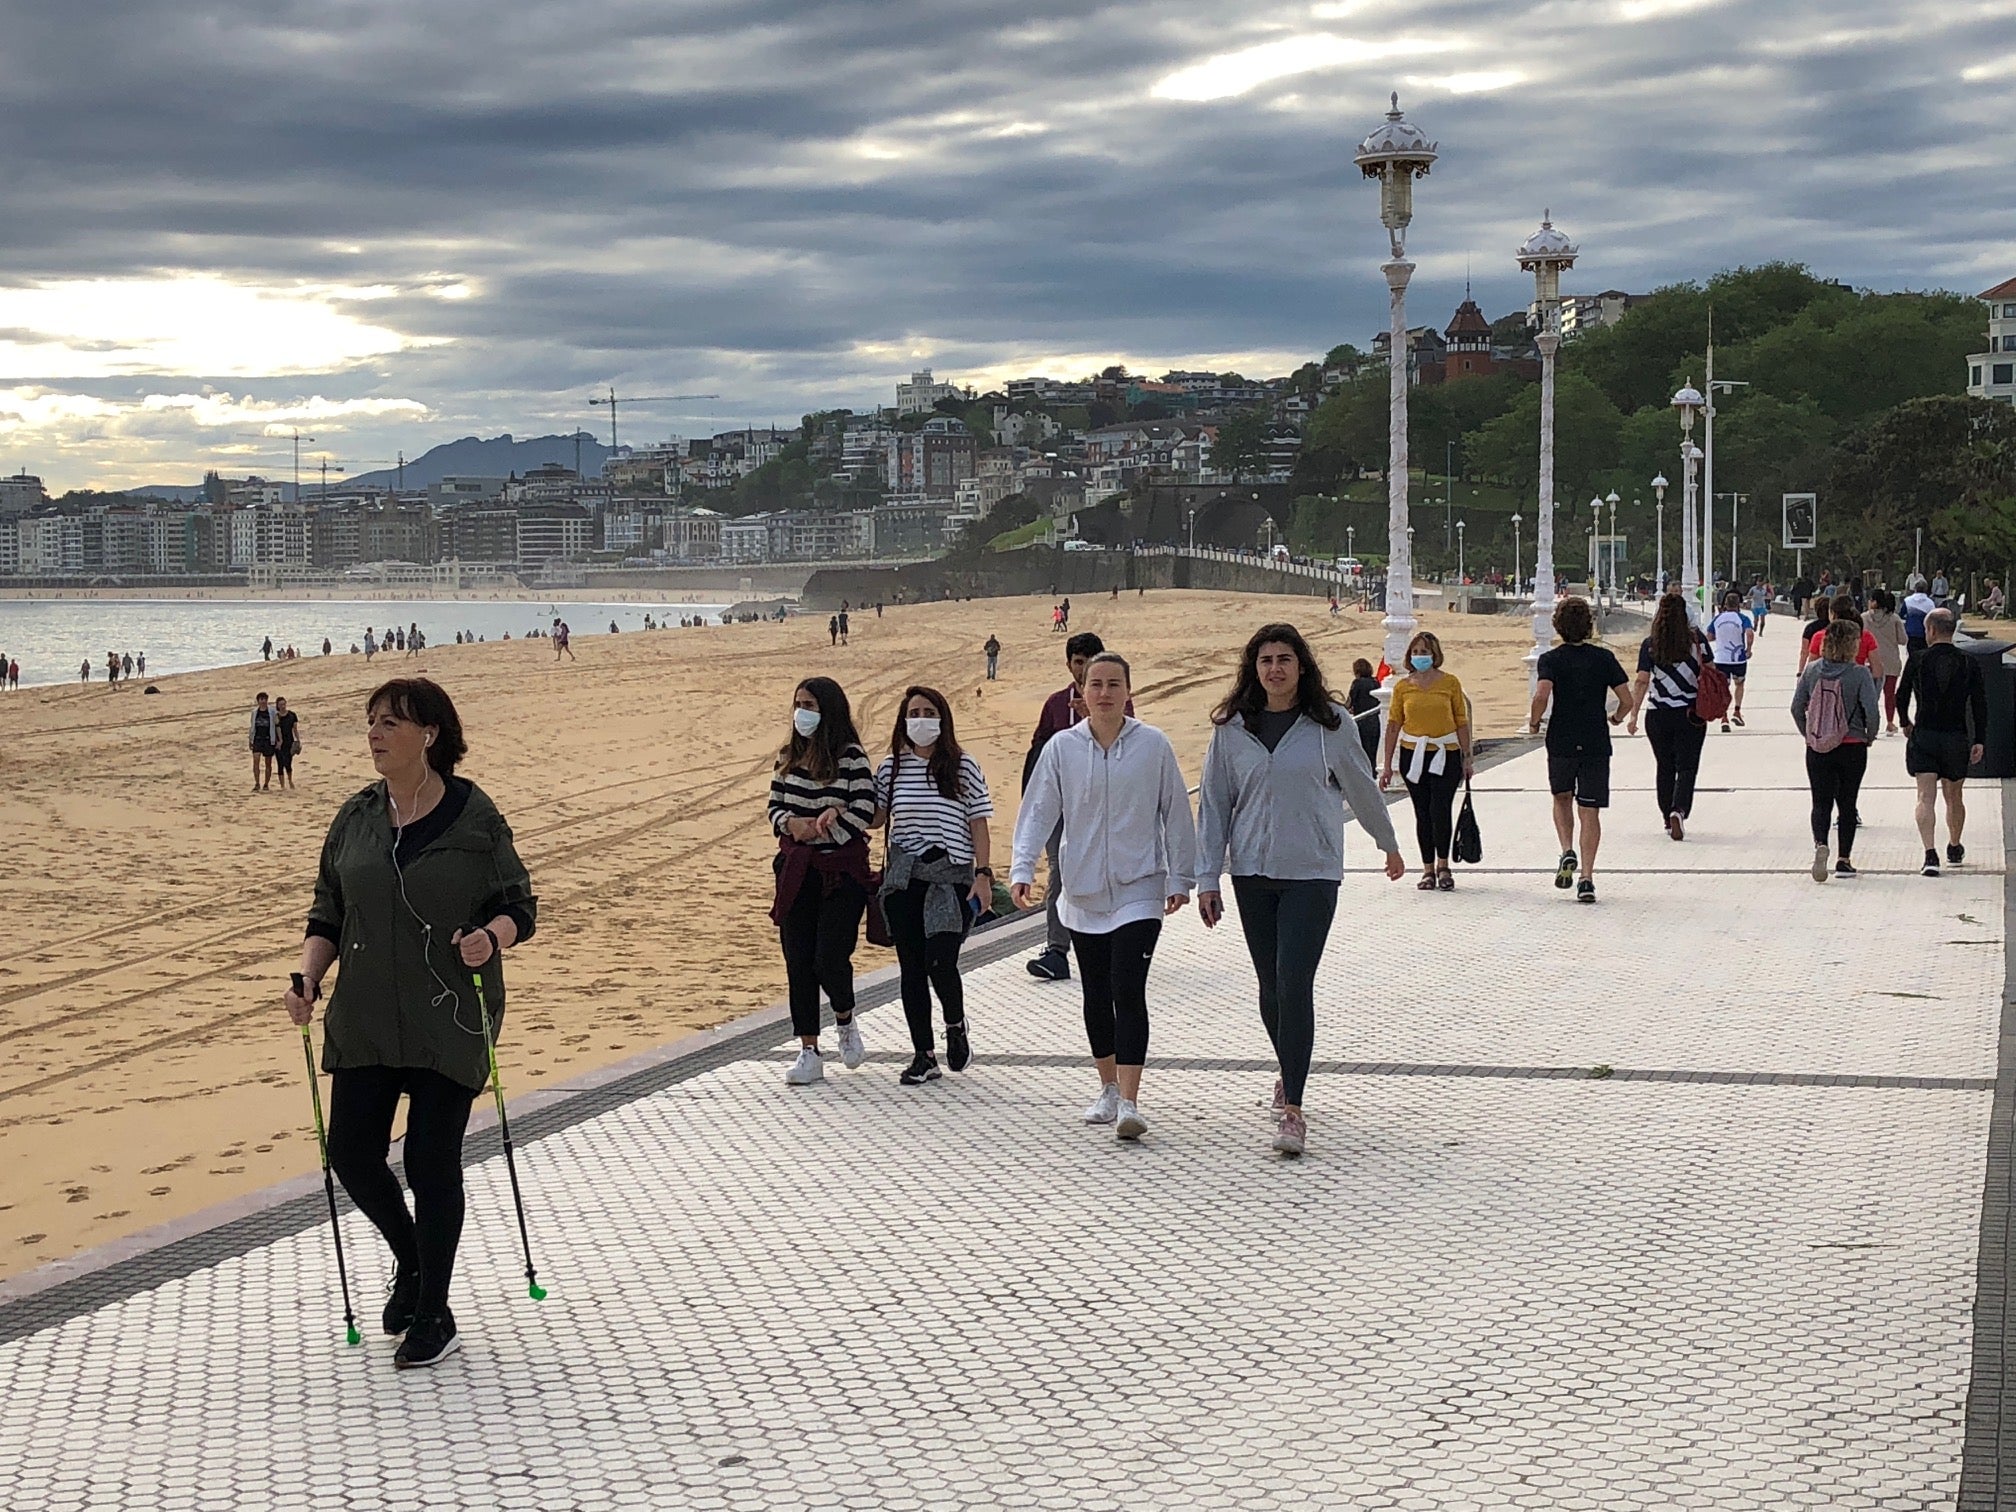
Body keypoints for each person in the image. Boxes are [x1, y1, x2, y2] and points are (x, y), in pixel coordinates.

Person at [282, 676, 537, 1369]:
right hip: (365, 1014)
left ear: (429, 734)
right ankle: (411, 1259)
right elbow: (327, 912)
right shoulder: (356, 817)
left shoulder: (473, 815)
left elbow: (520, 904)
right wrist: (309, 976)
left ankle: (432, 1313)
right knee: (352, 1155)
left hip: (449, 1014)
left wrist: (493, 936)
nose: (376, 734)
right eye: (371, 722)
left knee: (430, 1161)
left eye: (391, 723)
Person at [1194, 625, 1404, 1157]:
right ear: (1253, 668)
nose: (1275, 669)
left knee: (1294, 979)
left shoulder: (1328, 725)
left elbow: (1359, 784)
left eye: (1285, 659)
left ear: (1301, 666)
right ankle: (1289, 1067)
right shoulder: (1232, 729)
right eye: (1265, 660)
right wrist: (1206, 878)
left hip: (1312, 870)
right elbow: (1215, 804)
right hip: (1252, 872)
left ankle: (1294, 1109)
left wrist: (1389, 843)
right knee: (1270, 984)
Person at [1011, 653, 1194, 1143]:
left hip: (1139, 888)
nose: (1105, 693)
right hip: (1082, 890)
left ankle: (1131, 1101)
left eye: (1115, 684)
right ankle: (1107, 1087)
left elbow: (1175, 810)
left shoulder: (1153, 745)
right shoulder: (1061, 748)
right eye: (1096, 684)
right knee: (1095, 992)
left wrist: (1181, 878)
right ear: (1082, 692)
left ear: (1129, 691)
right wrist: (1022, 867)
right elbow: (1039, 809)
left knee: (1127, 989)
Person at [872, 687, 994, 1086]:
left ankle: (955, 1025)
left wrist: (983, 874)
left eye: (928, 712)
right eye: (913, 712)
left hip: (950, 877)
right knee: (911, 968)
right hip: (906, 878)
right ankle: (923, 1054)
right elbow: (875, 817)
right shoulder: (891, 768)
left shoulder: (963, 767)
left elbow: (978, 823)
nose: (920, 719)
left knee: (941, 960)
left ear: (942, 719)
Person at [767, 677, 877, 1086]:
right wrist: (793, 825)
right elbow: (774, 806)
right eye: (798, 704)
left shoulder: (850, 758)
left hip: (841, 872)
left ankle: (845, 1019)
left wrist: (829, 824)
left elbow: (865, 807)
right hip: (796, 869)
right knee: (797, 960)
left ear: (827, 709)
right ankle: (808, 1049)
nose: (802, 712)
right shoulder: (787, 756)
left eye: (810, 704)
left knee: (829, 957)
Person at [1021, 632, 1132, 982]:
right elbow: (1037, 750)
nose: (1084, 670)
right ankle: (1056, 949)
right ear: (1069, 664)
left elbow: (1130, 745)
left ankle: (1112, 937)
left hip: (1104, 808)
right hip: (1060, 805)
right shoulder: (1056, 703)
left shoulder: (1118, 702)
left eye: (1091, 661)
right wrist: (1033, 802)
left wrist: (1093, 719)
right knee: (1060, 869)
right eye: (1078, 662)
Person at [1529, 597, 1634, 903]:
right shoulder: (1603, 658)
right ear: (1589, 625)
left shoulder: (1550, 659)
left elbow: (1541, 695)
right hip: (1594, 739)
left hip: (1561, 737)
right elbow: (1626, 700)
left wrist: (1535, 722)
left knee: (1561, 797)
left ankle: (1566, 850)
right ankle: (1587, 878)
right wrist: (1615, 718)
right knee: (1590, 810)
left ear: (1557, 626)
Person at [1379, 631, 1473, 891]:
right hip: (1413, 754)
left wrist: (1467, 757)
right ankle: (1427, 868)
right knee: (1422, 812)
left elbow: (1461, 721)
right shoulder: (1403, 686)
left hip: (1446, 752)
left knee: (1440, 809)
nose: (1421, 656)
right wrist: (1387, 764)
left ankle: (1444, 866)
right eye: (1417, 652)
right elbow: (1394, 724)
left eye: (1426, 652)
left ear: (1435, 654)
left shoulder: (1450, 683)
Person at [1899, 608, 1987, 877]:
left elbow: (1900, 695)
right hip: (1955, 735)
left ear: (1932, 630)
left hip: (1925, 733)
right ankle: (1954, 845)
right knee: (1954, 796)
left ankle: (1929, 854)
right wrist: (1980, 738)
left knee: (1925, 796)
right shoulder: (1968, 662)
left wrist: (1905, 722)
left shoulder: (1918, 659)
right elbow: (1980, 704)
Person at [1792, 619, 1881, 881]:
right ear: (1852, 645)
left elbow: (1796, 708)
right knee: (1847, 802)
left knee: (1820, 801)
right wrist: (1869, 736)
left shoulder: (1812, 670)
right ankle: (1844, 860)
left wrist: (1808, 734)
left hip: (1818, 747)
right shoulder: (1860, 673)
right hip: (1852, 746)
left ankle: (1821, 844)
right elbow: (1872, 712)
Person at [1627, 590, 1708, 840]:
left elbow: (1642, 681)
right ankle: (1679, 810)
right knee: (1687, 766)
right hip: (1690, 713)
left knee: (1664, 766)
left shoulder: (1651, 644)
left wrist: (1633, 714)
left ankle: (1666, 816)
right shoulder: (1697, 641)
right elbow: (1711, 671)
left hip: (1658, 715)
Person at [1861, 588, 1908, 734]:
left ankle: (1868, 722)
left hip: (1871, 661)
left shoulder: (1864, 618)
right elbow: (1903, 640)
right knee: (1890, 693)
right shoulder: (1894, 619)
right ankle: (1890, 722)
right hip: (1891, 661)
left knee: (1870, 695)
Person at [1707, 590, 1754, 731]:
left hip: (1721, 659)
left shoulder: (1717, 619)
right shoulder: (1742, 618)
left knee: (1723, 688)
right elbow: (1750, 634)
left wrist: (1720, 638)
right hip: (1738, 659)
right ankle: (1737, 711)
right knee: (1739, 684)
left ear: (1725, 604)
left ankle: (1724, 717)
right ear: (1738, 604)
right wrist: (1749, 649)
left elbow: (1709, 636)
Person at [1345, 657, 1382, 766]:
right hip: (1376, 720)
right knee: (1374, 751)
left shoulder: (1357, 683)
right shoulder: (1376, 682)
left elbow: (1349, 702)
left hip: (1362, 721)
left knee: (1363, 751)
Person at [250, 692, 280, 791]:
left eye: (264, 699)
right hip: (257, 739)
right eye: (261, 699)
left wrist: (278, 739)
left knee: (268, 763)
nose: (263, 701)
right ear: (258, 701)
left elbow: (277, 726)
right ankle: (257, 783)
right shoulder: (255, 712)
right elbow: (252, 727)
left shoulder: (272, 711)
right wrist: (250, 739)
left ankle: (266, 784)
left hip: (268, 739)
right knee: (256, 762)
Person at [1902, 578, 1938, 658]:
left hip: (1910, 633)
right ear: (1926, 589)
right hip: (1924, 633)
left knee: (1912, 656)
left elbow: (1901, 614)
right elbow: (1934, 618)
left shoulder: (1907, 601)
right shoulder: (1930, 603)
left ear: (1915, 588)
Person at [1797, 594, 1832, 676]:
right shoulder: (1837, 626)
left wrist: (1800, 671)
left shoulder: (1810, 628)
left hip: (1815, 666)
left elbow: (1804, 651)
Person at [273, 696, 301, 792]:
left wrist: (298, 740)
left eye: (284, 704)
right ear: (277, 706)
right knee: (280, 763)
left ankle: (290, 780)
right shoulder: (276, 717)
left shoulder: (292, 715)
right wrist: (279, 741)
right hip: (279, 743)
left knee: (288, 762)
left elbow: (295, 729)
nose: (283, 706)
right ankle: (282, 785)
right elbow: (277, 729)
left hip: (289, 741)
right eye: (280, 705)